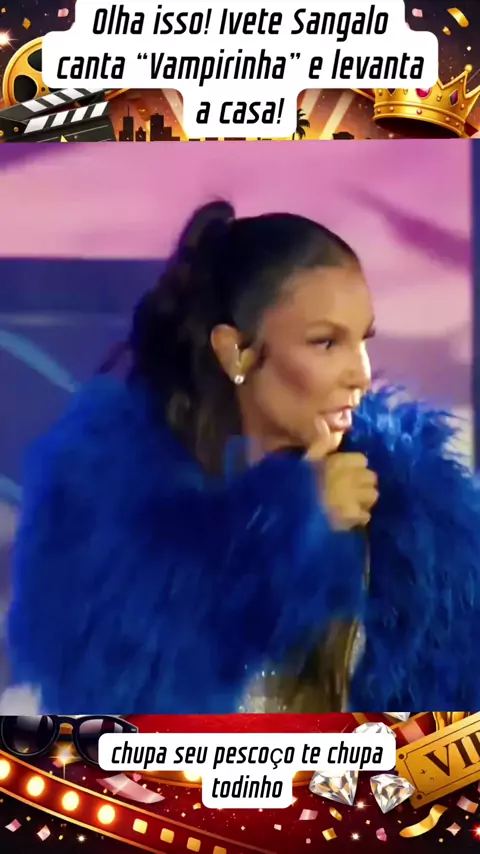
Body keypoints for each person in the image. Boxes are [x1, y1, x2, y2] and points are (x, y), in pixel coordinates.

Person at [6, 201, 480, 714]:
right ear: (235, 351)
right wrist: (290, 524)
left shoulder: (414, 515)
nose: (361, 374)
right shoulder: (112, 509)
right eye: (326, 343)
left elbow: (444, 737)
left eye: (362, 340)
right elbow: (117, 704)